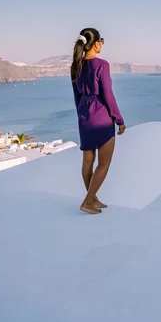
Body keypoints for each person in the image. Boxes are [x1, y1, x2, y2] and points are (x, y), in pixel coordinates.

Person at [71, 28, 126, 214]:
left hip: (84, 115)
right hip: (101, 115)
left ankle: (92, 199)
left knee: (88, 160)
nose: (102, 44)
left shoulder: (75, 65)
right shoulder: (102, 64)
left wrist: (81, 114)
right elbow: (107, 94)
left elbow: (76, 96)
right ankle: (87, 201)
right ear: (95, 44)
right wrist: (119, 119)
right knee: (104, 163)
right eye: (101, 41)